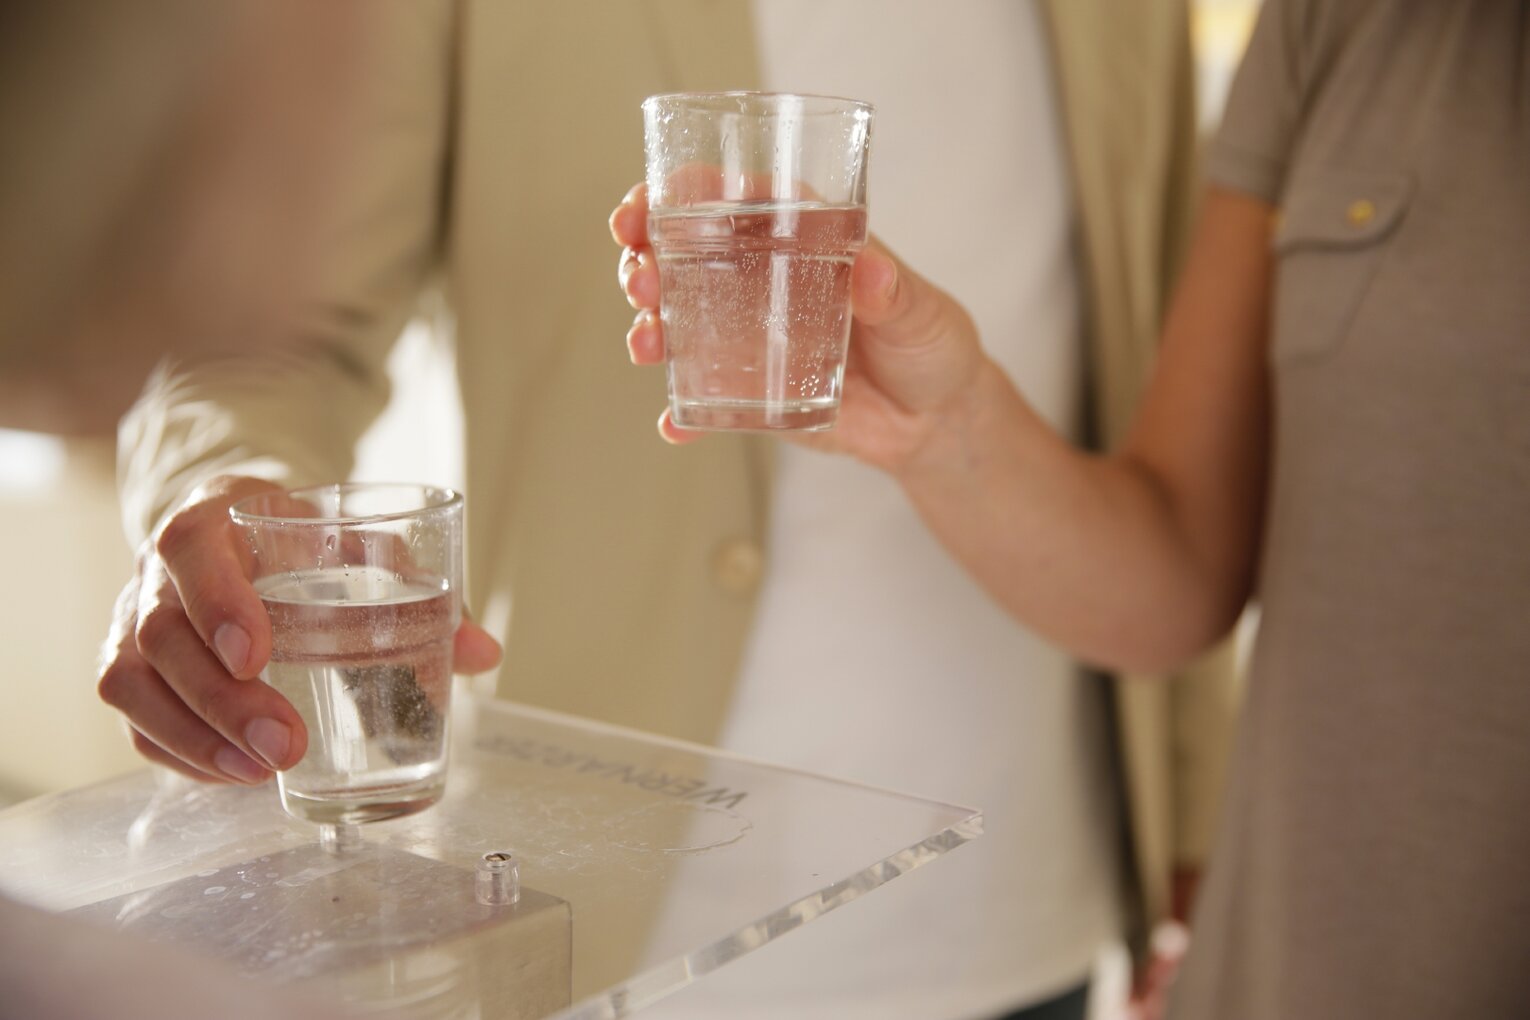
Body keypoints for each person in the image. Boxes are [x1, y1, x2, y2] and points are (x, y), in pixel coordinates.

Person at [99, 2, 1237, 1017]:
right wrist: (220, 497)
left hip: (1028, 903)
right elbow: (265, 332)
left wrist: (1197, 825)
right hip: (605, 924)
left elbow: (1168, 384)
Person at [612, 0, 1530, 1017]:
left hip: (1028, 898)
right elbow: (1180, 566)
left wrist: (1178, 841)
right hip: (1307, 970)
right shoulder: (1344, 24)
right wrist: (944, 426)